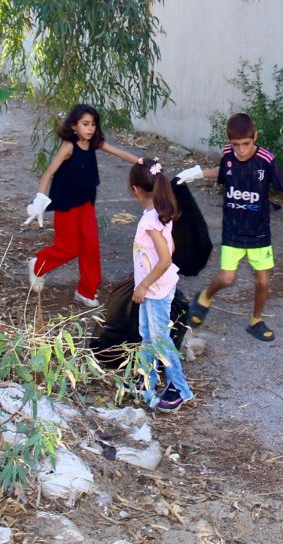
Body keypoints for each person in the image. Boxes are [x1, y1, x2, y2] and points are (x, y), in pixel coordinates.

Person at [177, 112, 283, 342]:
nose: (241, 150)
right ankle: (205, 297)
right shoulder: (228, 155)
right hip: (233, 228)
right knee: (227, 278)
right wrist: (197, 174)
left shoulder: (266, 160)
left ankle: (255, 320)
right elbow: (224, 173)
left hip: (259, 232)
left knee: (263, 281)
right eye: (235, 144)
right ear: (229, 142)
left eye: (246, 144)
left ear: (255, 137)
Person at [25, 104, 142, 307]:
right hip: (66, 205)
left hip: (86, 203)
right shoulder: (68, 147)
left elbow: (120, 153)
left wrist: (142, 162)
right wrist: (39, 200)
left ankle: (86, 291)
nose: (90, 129)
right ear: (73, 126)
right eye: (85, 124)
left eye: (93, 125)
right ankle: (38, 265)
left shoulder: (95, 143)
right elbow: (48, 173)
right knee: (69, 248)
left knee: (90, 247)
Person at [127, 159, 194, 411]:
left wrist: (143, 285)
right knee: (148, 335)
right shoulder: (160, 213)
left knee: (159, 340)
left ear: (136, 189)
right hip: (158, 287)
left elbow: (165, 259)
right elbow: (171, 248)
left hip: (154, 290)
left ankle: (180, 387)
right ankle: (146, 380)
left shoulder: (149, 221)